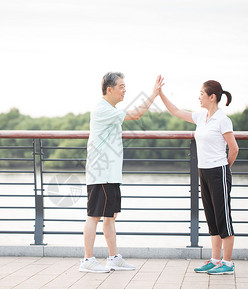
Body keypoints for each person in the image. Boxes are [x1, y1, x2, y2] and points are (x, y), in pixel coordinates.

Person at [79, 72, 164, 273]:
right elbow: (136, 114)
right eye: (121, 86)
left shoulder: (111, 110)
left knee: (110, 216)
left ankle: (113, 258)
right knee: (94, 216)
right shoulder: (102, 110)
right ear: (109, 89)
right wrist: (153, 94)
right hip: (100, 173)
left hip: (111, 173)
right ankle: (87, 260)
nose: (125, 90)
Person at [159, 80, 239, 275]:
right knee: (211, 217)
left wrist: (224, 168)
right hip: (203, 171)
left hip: (218, 171)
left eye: (202, 93)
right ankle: (215, 260)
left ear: (212, 97)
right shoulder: (201, 116)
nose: (199, 96)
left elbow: (234, 149)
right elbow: (176, 112)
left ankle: (227, 264)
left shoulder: (222, 119)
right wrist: (160, 93)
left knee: (223, 219)